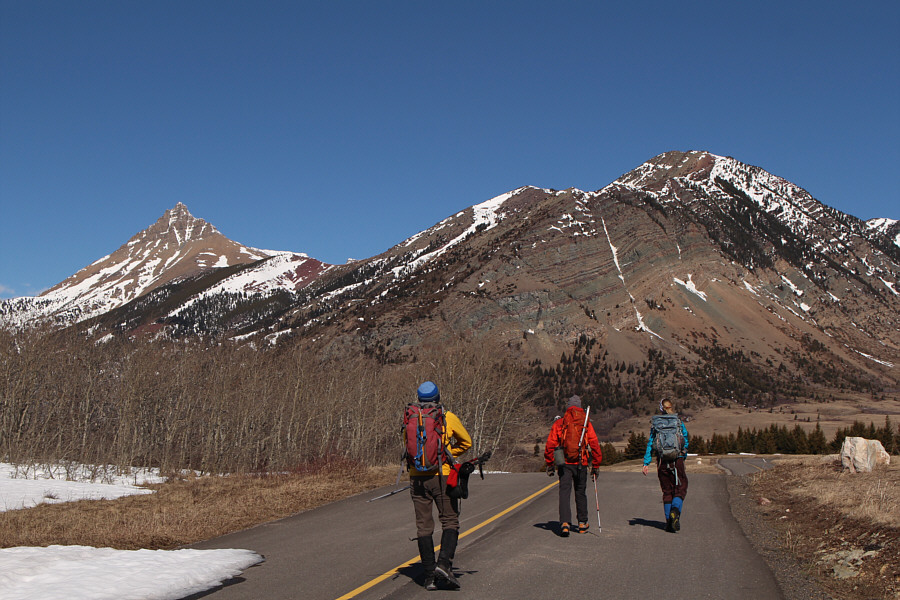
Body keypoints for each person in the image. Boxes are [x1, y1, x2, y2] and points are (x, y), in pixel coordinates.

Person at [405, 381, 472, 590]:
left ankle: (428, 576)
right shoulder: (446, 417)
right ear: (438, 397)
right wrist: (448, 456)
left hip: (417, 478)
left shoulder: (410, 417)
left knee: (424, 526)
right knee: (450, 521)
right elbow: (466, 442)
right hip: (441, 475)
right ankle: (443, 565)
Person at [543, 395, 602, 536]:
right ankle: (582, 523)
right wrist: (596, 464)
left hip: (565, 463)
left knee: (564, 492)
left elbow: (550, 445)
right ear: (580, 407)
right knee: (580, 492)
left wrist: (550, 463)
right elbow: (594, 444)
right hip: (581, 462)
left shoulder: (560, 423)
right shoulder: (586, 423)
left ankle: (564, 523)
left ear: (568, 407)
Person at [642, 398, 689, 533]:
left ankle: (669, 522)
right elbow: (685, 440)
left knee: (667, 490)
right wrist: (683, 456)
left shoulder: (656, 423)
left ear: (661, 408)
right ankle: (675, 510)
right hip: (677, 459)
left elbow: (651, 443)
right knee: (680, 487)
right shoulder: (678, 422)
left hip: (662, 461)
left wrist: (646, 463)